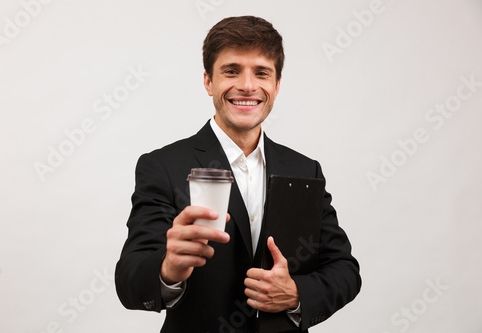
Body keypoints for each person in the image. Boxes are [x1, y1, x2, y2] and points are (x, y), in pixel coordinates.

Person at [115, 16, 361, 333]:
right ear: (208, 81)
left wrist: (296, 294)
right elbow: (129, 281)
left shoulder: (304, 169)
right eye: (231, 71)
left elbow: (344, 270)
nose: (247, 85)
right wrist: (169, 267)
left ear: (276, 85)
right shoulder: (162, 166)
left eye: (261, 72)